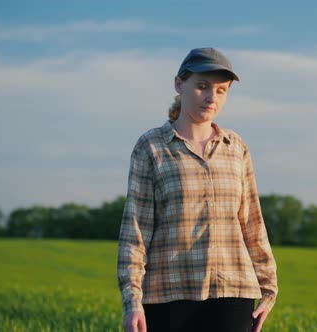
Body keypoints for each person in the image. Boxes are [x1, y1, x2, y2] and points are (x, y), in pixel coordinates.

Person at [117, 47, 278, 332]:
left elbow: (252, 223)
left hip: (234, 292)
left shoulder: (236, 147)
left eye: (221, 90)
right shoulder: (151, 147)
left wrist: (268, 288)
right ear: (179, 84)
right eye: (202, 86)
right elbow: (135, 231)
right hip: (168, 294)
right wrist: (132, 301)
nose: (211, 98)